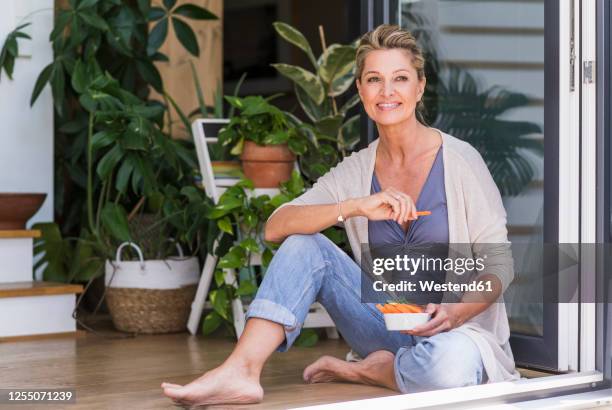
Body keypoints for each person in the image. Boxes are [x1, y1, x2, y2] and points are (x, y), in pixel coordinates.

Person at [161, 24, 520, 407]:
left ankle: (372, 371)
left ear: (419, 87)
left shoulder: (461, 161)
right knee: (305, 244)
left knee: (449, 368)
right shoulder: (357, 170)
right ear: (361, 90)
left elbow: (499, 265)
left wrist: (455, 310)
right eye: (373, 80)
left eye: (400, 78)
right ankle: (242, 371)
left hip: (458, 334)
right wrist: (352, 206)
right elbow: (276, 226)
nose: (387, 92)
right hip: (384, 324)